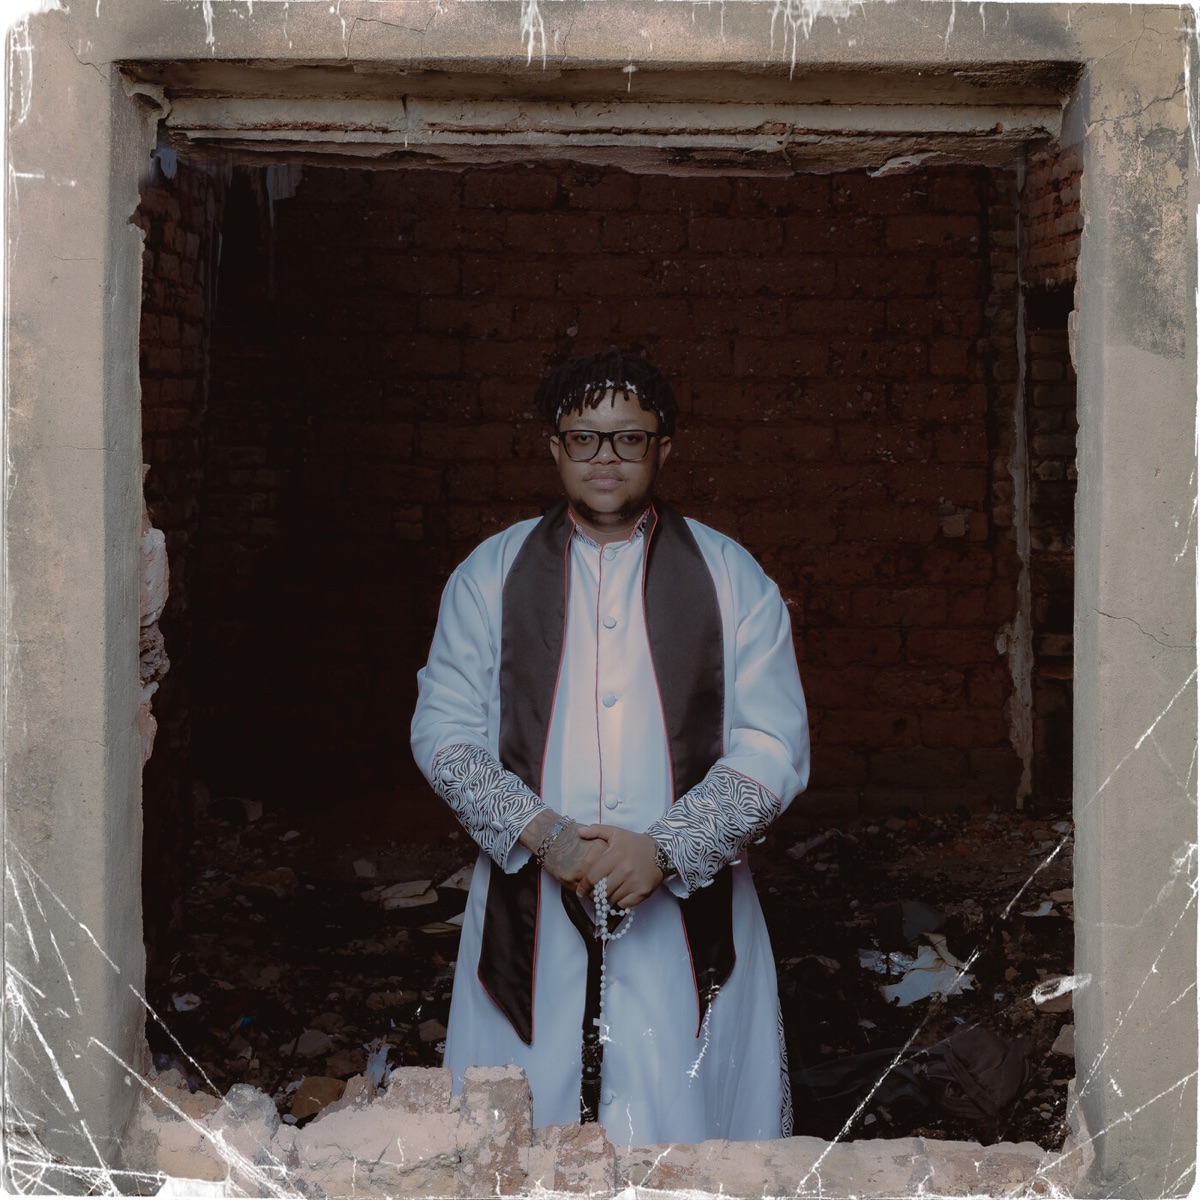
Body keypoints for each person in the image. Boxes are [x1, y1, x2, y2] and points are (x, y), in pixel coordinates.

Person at [410, 349, 809, 1146]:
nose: (605, 458)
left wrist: (664, 850)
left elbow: (773, 743)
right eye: (584, 438)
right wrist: (546, 836)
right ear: (554, 447)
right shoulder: (489, 575)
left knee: (685, 1135)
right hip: (532, 896)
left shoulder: (731, 577)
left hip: (683, 905)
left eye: (629, 438)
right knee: (524, 1131)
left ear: (665, 449)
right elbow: (445, 733)